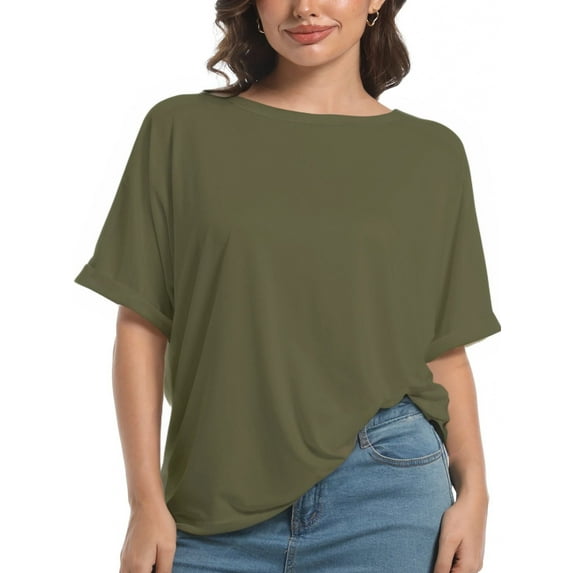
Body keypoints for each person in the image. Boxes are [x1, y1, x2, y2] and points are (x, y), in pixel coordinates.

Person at [74, 0, 502, 571]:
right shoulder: (181, 129)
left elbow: (442, 349)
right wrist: (144, 502)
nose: (305, 8)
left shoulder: (433, 154)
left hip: (386, 487)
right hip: (209, 502)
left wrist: (475, 492)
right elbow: (142, 325)